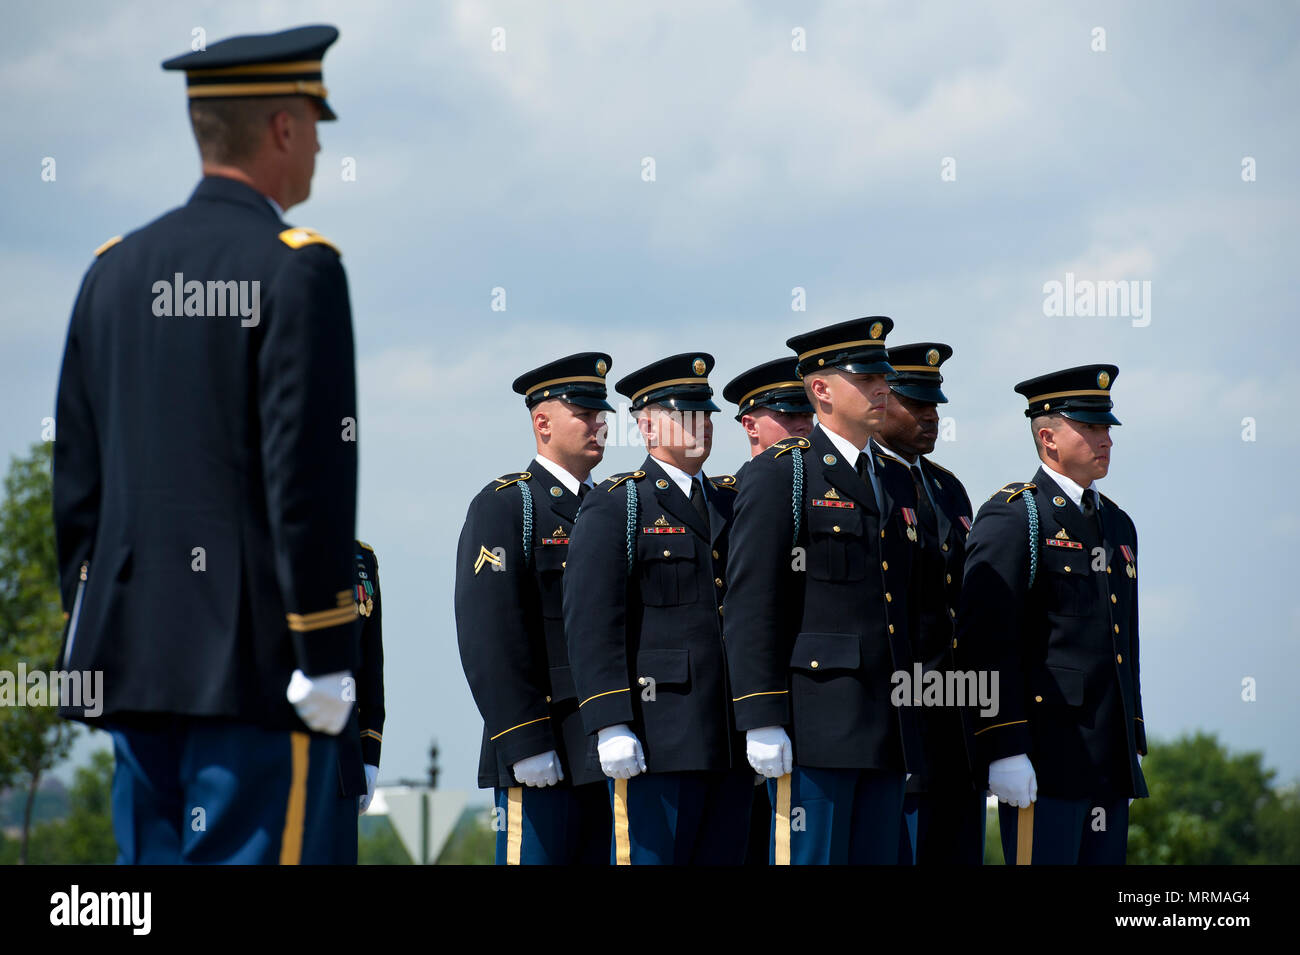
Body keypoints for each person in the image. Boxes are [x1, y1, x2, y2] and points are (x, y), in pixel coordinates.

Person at [52, 25, 359, 864]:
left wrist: (94, 624)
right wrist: (327, 648)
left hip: (131, 659)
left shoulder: (112, 269)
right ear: (283, 128)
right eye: (314, 121)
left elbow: (76, 486)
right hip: (255, 665)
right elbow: (307, 479)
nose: (323, 144)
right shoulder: (298, 268)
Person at [725, 317, 924, 864]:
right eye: (866, 377)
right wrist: (762, 716)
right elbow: (752, 602)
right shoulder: (782, 474)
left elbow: (909, 606)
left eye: (884, 376)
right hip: (814, 727)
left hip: (886, 725)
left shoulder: (895, 478)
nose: (882, 387)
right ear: (820, 389)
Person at [955, 364, 1147, 865]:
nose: (1105, 439)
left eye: (1106, 427)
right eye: (1090, 427)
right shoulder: (1017, 515)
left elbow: (1124, 643)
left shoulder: (1117, 524)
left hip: (1108, 756)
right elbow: (984, 641)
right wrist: (1003, 743)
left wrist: (1133, 732)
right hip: (1046, 755)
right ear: (1048, 437)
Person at [564, 353, 751, 864]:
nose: (702, 425)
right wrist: (609, 721)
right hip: (656, 737)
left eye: (707, 413)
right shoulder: (620, 504)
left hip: (728, 739)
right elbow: (592, 621)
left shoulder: (733, 505)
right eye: (685, 413)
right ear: (646, 424)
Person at [454, 353, 615, 864]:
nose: (599, 424)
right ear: (542, 423)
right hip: (544, 744)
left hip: (606, 746)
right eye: (584, 413)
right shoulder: (508, 507)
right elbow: (488, 634)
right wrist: (523, 738)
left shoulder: (612, 506)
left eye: (600, 413)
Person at [874, 343, 983, 864]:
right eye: (915, 404)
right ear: (880, 400)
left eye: (935, 405)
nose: (930, 417)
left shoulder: (947, 488)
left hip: (955, 719)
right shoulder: (866, 482)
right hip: (896, 718)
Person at [722, 357, 813, 865]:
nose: (804, 425)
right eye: (789, 414)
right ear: (751, 424)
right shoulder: (723, 499)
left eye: (808, 414)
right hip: (737, 724)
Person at [330, 540, 386, 864]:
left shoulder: (361, 558)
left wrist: (369, 755)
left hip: (341, 763)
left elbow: (369, 667)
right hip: (271, 759)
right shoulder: (257, 540)